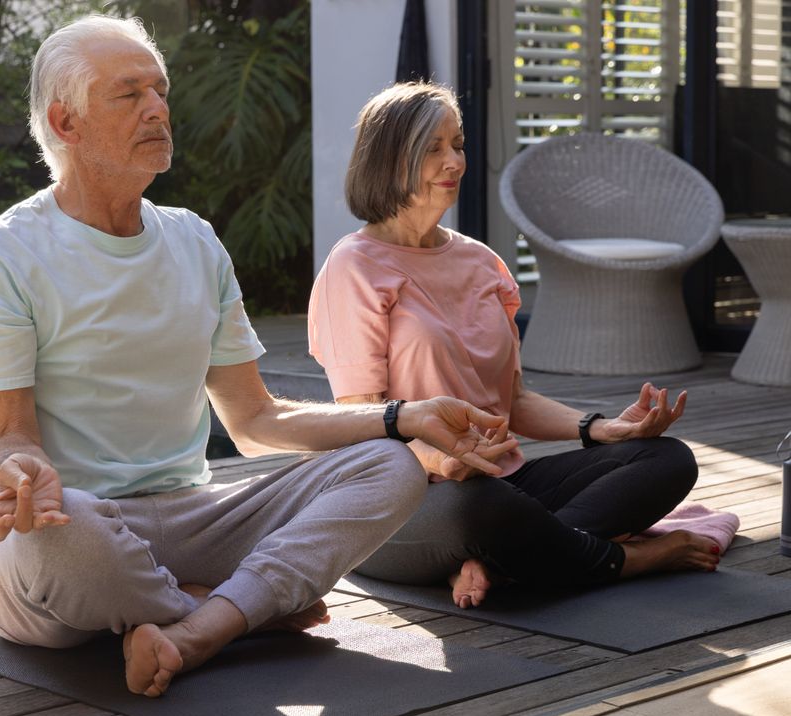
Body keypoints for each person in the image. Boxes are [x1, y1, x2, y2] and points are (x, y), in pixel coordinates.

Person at [0, 18, 514, 699]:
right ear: (66, 123)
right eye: (129, 96)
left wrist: (405, 416)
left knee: (389, 464)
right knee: (67, 532)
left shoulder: (195, 242)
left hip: (188, 516)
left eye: (161, 91)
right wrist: (21, 472)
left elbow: (255, 421)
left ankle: (194, 619)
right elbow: (8, 435)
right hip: (65, 529)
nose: (158, 108)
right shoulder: (0, 254)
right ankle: (233, 611)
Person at [308, 81, 720, 610]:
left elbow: (515, 402)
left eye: (456, 144)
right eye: (432, 148)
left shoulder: (482, 262)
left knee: (667, 460)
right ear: (389, 158)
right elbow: (361, 424)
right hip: (407, 501)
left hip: (505, 484)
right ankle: (629, 560)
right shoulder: (354, 266)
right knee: (483, 507)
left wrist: (601, 429)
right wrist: (437, 460)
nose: (453, 160)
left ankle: (504, 563)